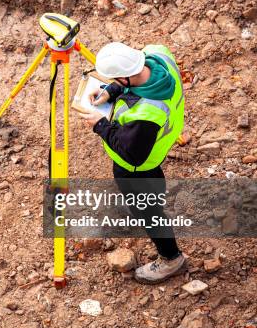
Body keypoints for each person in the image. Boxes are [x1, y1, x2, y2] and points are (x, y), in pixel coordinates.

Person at [80, 42, 186, 283]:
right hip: (154, 151)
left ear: (125, 77)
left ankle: (172, 259)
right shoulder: (157, 54)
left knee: (148, 210)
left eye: (116, 79)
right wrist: (111, 90)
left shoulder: (146, 114)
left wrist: (100, 125)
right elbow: (134, 77)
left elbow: (132, 154)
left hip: (137, 166)